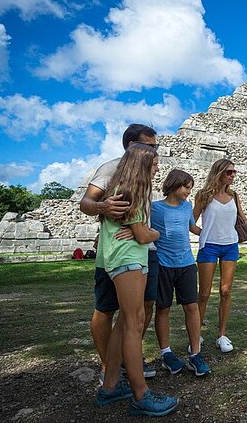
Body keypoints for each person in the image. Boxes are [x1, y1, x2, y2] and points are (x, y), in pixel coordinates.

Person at [95, 144, 178, 416]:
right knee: (135, 323)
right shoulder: (131, 191)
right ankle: (141, 395)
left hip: (128, 259)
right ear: (142, 164)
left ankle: (110, 387)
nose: (157, 169)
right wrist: (153, 233)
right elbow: (143, 235)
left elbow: (137, 231)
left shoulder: (125, 188)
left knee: (124, 324)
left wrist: (143, 232)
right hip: (127, 259)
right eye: (154, 164)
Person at [80, 123, 159, 382]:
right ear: (130, 145)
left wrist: (141, 231)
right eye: (149, 146)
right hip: (118, 252)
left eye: (155, 146)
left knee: (143, 308)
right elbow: (86, 203)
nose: (155, 151)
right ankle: (108, 365)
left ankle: (127, 358)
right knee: (106, 308)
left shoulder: (145, 171)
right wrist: (103, 207)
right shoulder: (111, 168)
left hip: (143, 250)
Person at [193, 159, 247, 353]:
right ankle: (196, 335)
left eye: (234, 172)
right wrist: (203, 234)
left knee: (226, 291)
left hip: (230, 246)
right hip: (209, 247)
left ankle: (222, 335)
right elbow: (190, 221)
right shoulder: (203, 195)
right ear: (219, 172)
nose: (232, 175)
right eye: (229, 172)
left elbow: (243, 219)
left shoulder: (234, 196)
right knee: (204, 294)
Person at [151, 169, 211, 376]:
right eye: (186, 187)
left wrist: (212, 236)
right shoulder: (154, 208)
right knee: (163, 309)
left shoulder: (187, 207)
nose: (188, 192)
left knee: (192, 307)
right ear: (174, 184)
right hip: (163, 264)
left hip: (186, 264)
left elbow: (192, 227)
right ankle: (166, 353)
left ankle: (195, 354)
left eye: (190, 188)